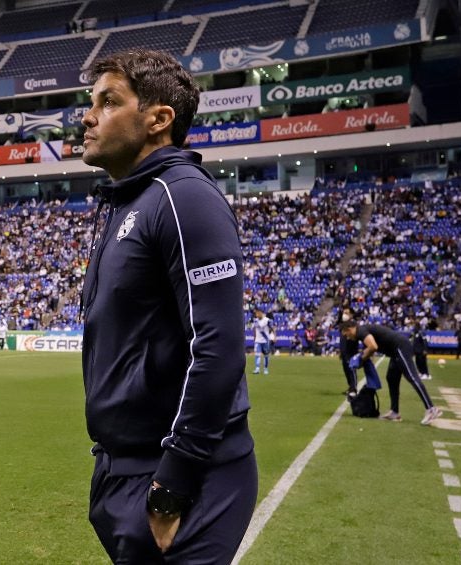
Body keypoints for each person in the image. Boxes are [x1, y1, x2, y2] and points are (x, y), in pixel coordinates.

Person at [79, 48, 256, 563]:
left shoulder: (184, 197)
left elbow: (219, 348)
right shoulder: (129, 203)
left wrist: (173, 483)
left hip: (182, 478)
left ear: (159, 119)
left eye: (108, 101)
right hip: (122, 470)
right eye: (91, 102)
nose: (88, 116)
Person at [340, 321, 442, 425]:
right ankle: (394, 412)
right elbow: (371, 349)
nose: (347, 338)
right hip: (395, 352)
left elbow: (373, 346)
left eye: (346, 334)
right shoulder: (362, 331)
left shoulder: (361, 331)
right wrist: (363, 359)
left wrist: (361, 359)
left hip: (401, 347)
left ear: (349, 329)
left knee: (412, 377)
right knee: (391, 378)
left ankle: (431, 409)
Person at [338, 307, 359, 395]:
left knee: (351, 369)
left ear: (351, 315)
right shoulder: (343, 325)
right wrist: (341, 351)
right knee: (346, 370)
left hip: (351, 351)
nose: (344, 314)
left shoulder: (353, 324)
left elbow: (354, 339)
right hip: (344, 352)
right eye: (344, 312)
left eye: (346, 313)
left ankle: (353, 388)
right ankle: (350, 387)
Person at [252, 308, 272, 375]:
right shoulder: (255, 321)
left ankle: (265, 369)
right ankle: (257, 369)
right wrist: (254, 337)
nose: (257, 315)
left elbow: (272, 328)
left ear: (261, 313)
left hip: (265, 341)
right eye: (256, 313)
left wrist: (272, 336)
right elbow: (254, 329)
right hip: (258, 340)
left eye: (258, 313)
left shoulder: (267, 320)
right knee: (257, 355)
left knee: (266, 355)